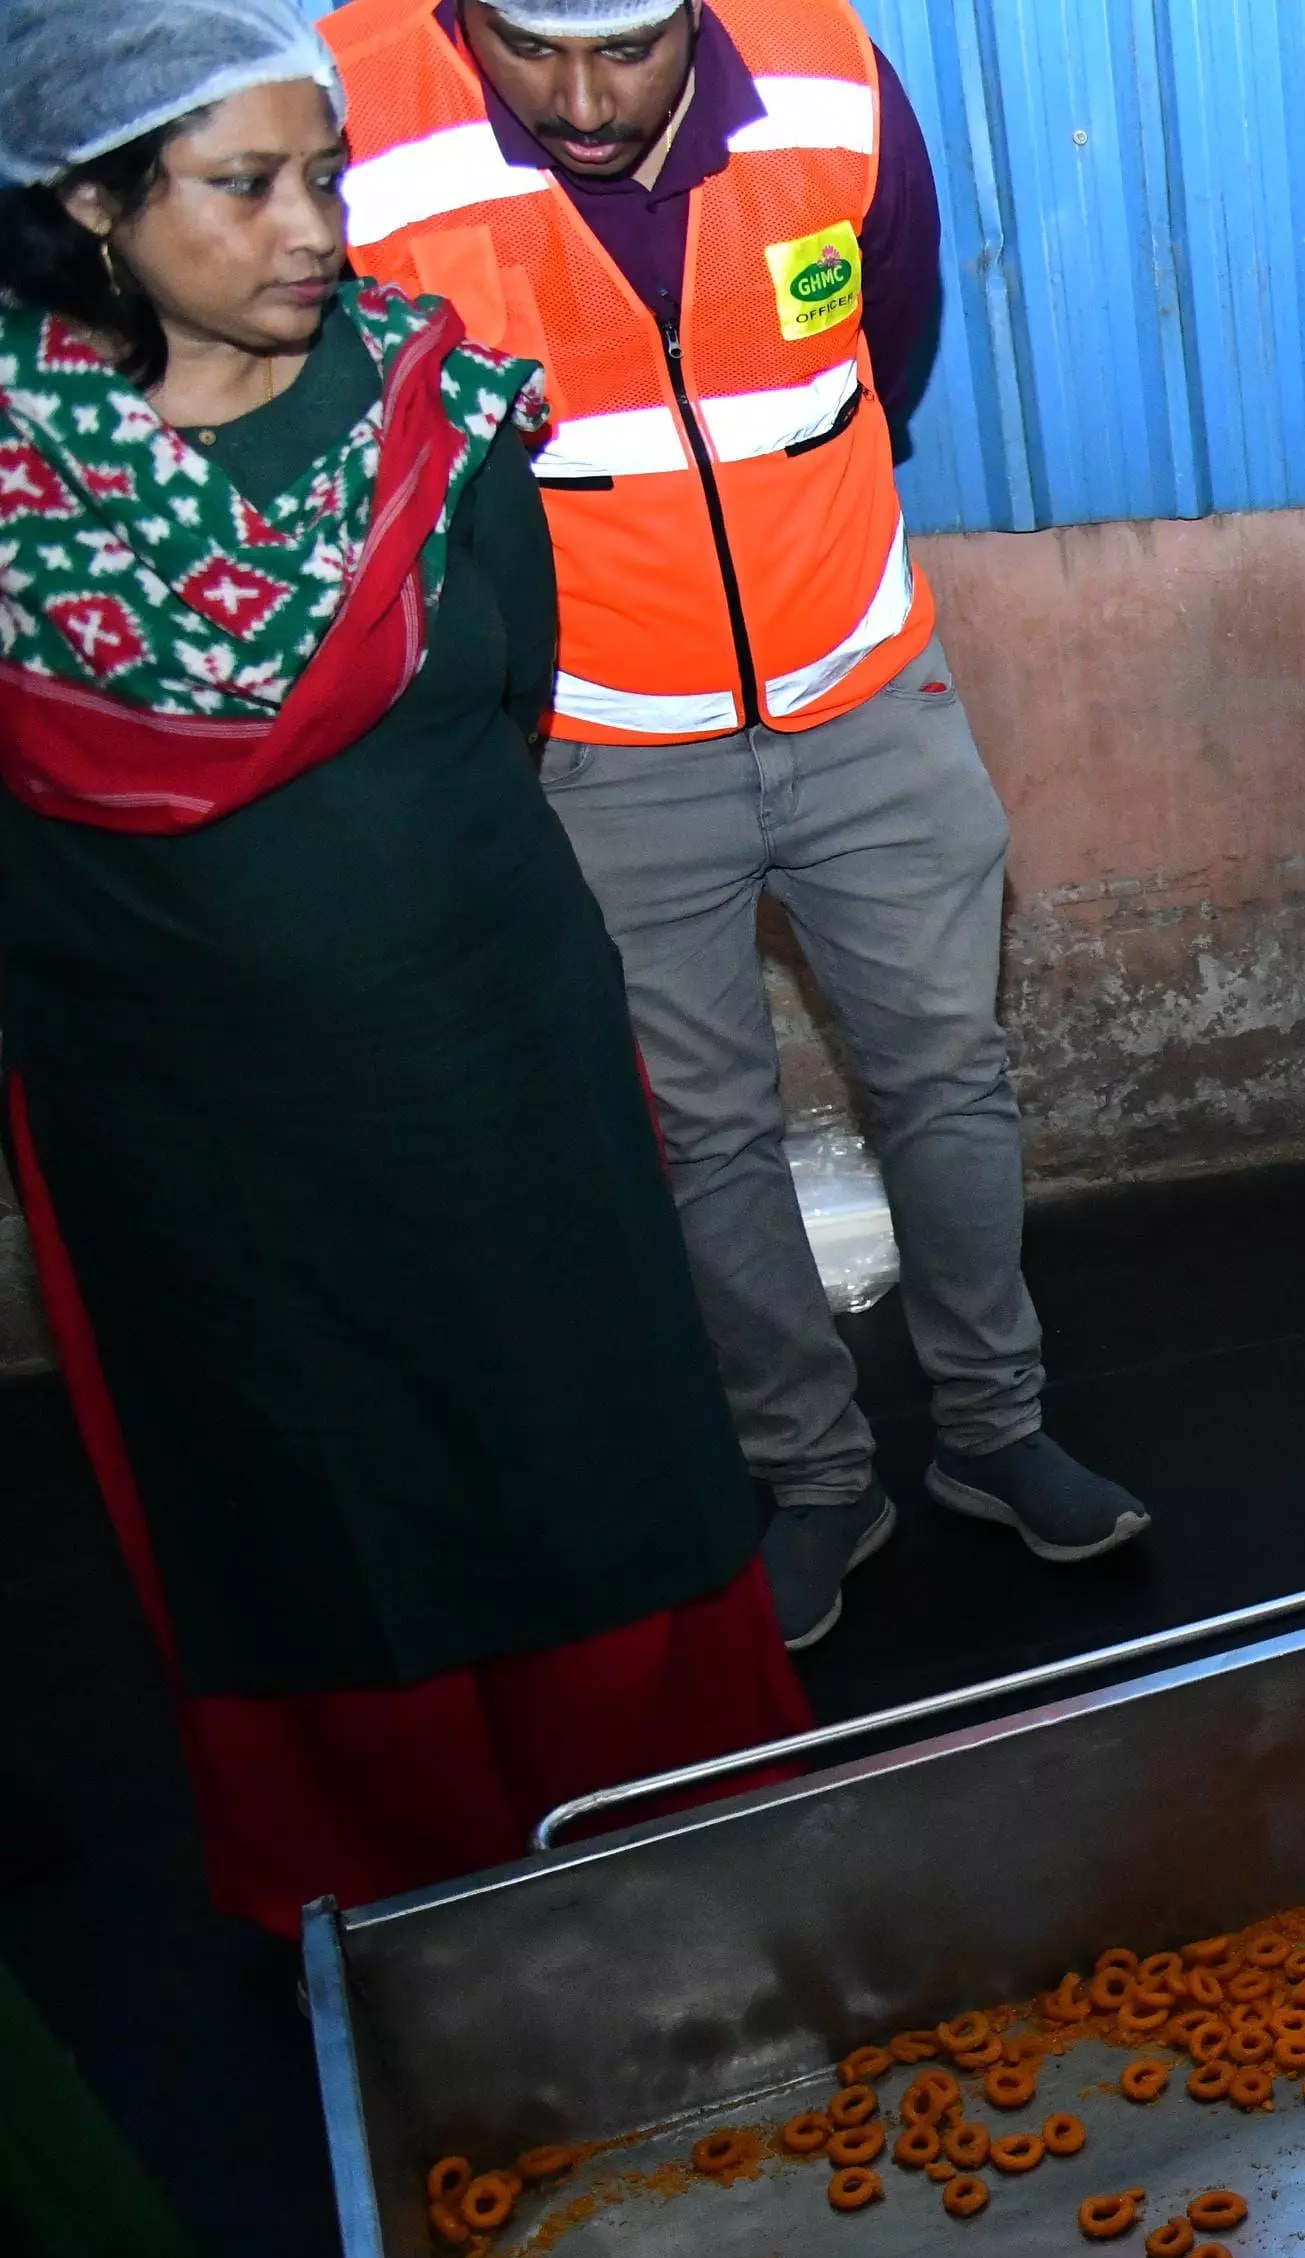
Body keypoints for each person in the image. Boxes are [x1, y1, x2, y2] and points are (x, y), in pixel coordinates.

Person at [0, 1, 804, 1930]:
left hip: (488, 1062)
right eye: (248, 183)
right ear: (96, 202)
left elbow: (507, 692)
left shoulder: (430, 421)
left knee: (572, 1425)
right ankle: (389, 1911)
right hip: (185, 1137)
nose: (315, 227)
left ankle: (665, 1847)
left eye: (328, 173)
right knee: (303, 1484)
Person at [326, 0, 1148, 1650]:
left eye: (622, 47)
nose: (574, 99)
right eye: (523, 45)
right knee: (702, 1133)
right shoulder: (355, 104)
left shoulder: (826, 64)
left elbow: (888, 336)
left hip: (864, 687)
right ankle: (815, 1478)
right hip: (603, 744)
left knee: (949, 1076)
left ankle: (994, 1432)